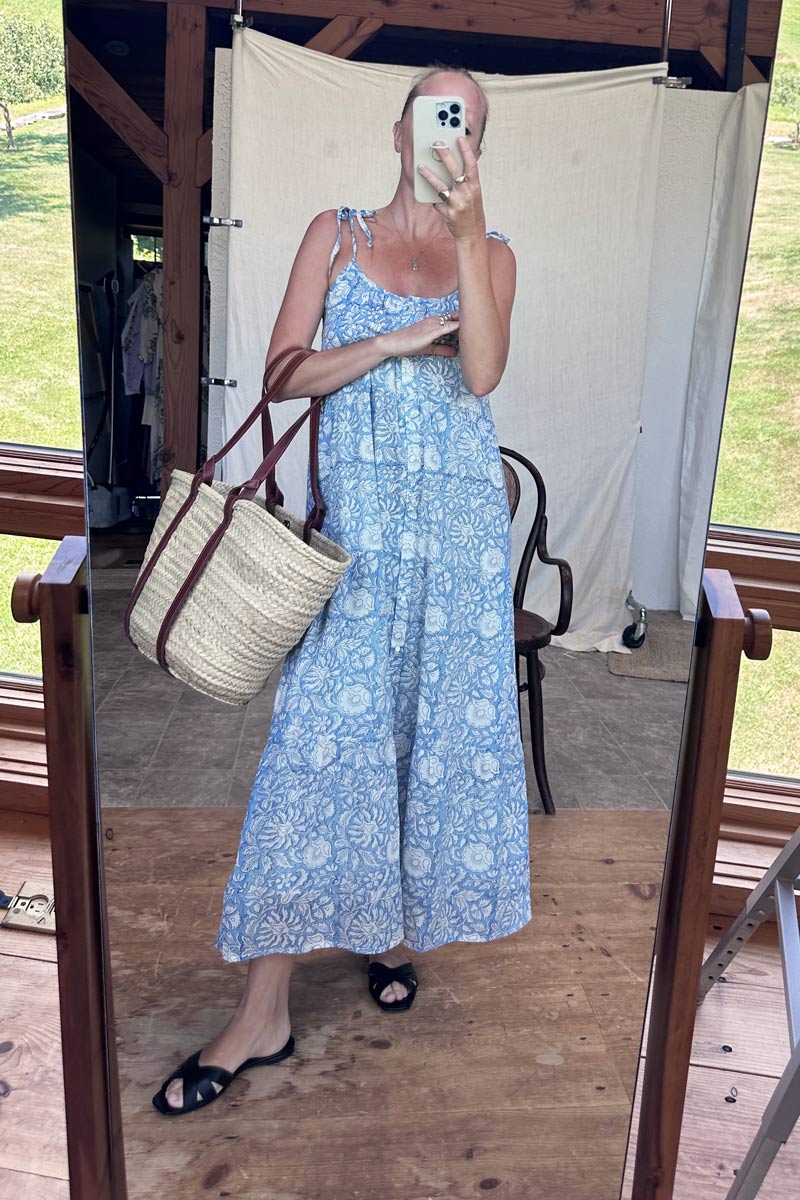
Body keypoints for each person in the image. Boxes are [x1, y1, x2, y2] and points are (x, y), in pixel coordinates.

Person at [152, 63, 532, 1117]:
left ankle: (390, 933)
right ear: (398, 129)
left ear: (476, 145)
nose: (446, 135)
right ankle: (262, 1013)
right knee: (316, 746)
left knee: (421, 735)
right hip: (358, 543)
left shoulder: (493, 252)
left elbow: (483, 374)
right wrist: (392, 340)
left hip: (456, 545)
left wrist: (468, 234)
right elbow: (281, 376)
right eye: (432, 116)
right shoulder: (337, 234)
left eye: (465, 124)